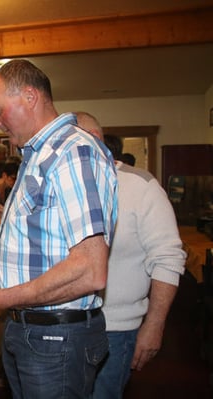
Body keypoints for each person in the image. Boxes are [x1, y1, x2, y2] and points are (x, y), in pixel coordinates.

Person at [0, 59, 117, 399]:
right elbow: (28, 254)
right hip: (32, 331)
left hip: (56, 338)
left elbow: (91, 271)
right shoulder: (39, 156)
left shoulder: (73, 152)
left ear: (30, 96)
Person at [75, 112, 186, 399]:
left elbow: (168, 259)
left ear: (94, 141)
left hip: (116, 330)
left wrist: (155, 323)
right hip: (69, 328)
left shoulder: (140, 186)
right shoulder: (68, 186)